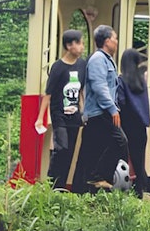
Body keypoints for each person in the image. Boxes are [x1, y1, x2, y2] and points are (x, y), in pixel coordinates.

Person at [35, 29, 86, 189]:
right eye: (80, 43)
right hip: (59, 115)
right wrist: (40, 117)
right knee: (61, 148)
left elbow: (81, 91)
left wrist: (84, 112)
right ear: (69, 45)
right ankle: (51, 183)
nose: (82, 47)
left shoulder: (82, 65)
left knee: (70, 152)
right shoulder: (57, 67)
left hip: (75, 116)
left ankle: (61, 186)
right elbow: (48, 95)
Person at [81, 25, 129, 191]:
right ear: (107, 41)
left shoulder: (107, 59)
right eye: (115, 38)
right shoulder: (98, 60)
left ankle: (99, 182)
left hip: (104, 111)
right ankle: (99, 176)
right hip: (100, 111)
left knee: (98, 148)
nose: (116, 42)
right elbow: (99, 86)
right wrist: (112, 108)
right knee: (120, 141)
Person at [117, 48, 150, 195]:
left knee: (124, 158)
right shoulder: (141, 81)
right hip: (140, 126)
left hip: (126, 124)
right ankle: (142, 189)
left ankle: (124, 188)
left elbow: (121, 102)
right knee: (139, 160)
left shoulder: (121, 79)